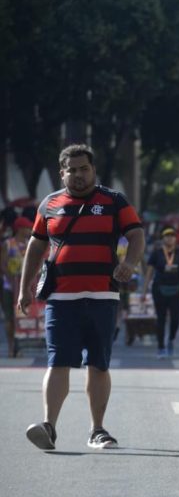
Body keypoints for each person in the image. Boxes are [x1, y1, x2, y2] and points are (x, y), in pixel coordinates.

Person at [19, 144, 145, 450]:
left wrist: (129, 263)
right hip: (61, 299)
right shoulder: (49, 205)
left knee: (98, 364)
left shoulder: (114, 201)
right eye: (71, 170)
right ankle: (49, 426)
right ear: (62, 173)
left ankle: (97, 430)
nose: (78, 175)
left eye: (83, 169)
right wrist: (25, 288)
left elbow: (136, 234)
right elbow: (36, 247)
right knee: (57, 361)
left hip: (103, 295)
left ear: (93, 170)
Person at [142, 227, 179, 358]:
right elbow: (149, 273)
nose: (169, 238)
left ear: (175, 238)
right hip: (159, 289)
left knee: (175, 319)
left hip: (175, 290)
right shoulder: (156, 253)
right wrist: (144, 290)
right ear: (163, 238)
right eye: (167, 235)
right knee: (161, 319)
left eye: (172, 235)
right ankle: (160, 347)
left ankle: (170, 340)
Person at [1, 217, 34, 356]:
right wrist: (11, 279)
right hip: (9, 287)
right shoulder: (8, 244)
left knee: (22, 317)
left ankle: (19, 347)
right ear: (20, 229)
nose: (30, 230)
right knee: (10, 317)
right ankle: (10, 347)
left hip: (24, 288)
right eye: (28, 228)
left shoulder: (29, 244)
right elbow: (2, 264)